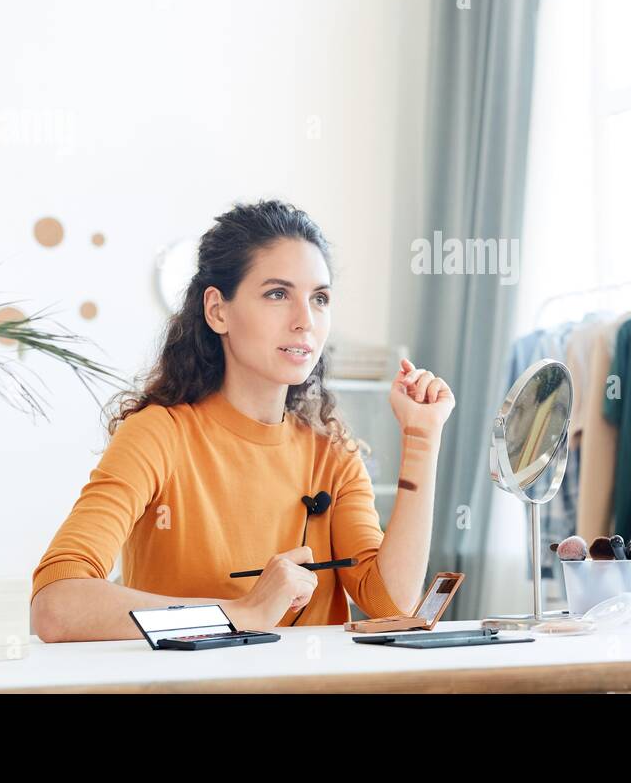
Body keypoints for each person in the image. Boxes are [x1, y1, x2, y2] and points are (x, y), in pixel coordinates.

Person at [29, 199, 454, 640]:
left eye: (320, 298)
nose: (305, 321)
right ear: (218, 310)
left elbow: (393, 604)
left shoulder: (333, 455)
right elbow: (57, 607)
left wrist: (421, 440)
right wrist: (239, 612)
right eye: (277, 294)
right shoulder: (158, 435)